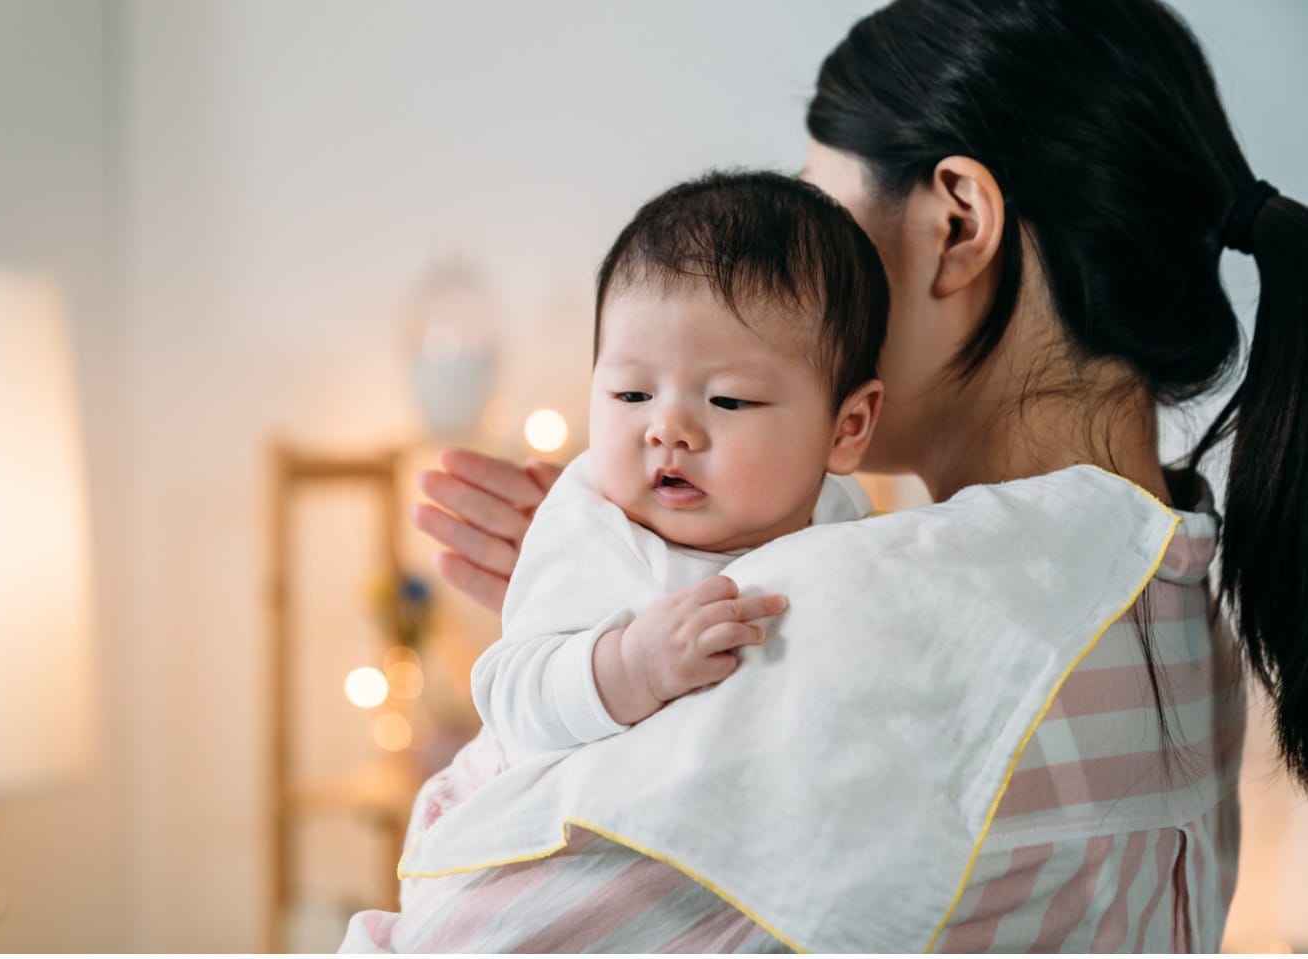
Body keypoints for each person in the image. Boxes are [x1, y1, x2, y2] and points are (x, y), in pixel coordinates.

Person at [350, 0, 1307, 950]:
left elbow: (453, 928)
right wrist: (627, 593)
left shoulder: (867, 618)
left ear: (957, 222)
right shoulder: (1181, 603)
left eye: (819, 211)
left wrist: (561, 712)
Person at [471, 170, 886, 763]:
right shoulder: (589, 526)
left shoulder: (848, 525)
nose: (666, 428)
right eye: (632, 395)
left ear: (846, 428)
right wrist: (632, 667)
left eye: (727, 400)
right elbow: (508, 693)